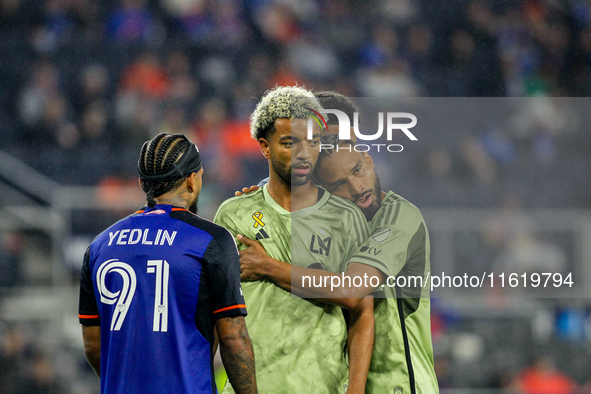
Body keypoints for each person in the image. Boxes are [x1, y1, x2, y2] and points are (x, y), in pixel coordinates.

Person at [239, 135, 439, 393]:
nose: (357, 187)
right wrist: (266, 196)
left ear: (369, 160)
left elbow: (350, 291)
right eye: (339, 184)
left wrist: (266, 266)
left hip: (396, 383)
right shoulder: (333, 225)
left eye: (358, 170)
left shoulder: (399, 217)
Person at [214, 86, 374, 394]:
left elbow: (360, 307)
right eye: (290, 143)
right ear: (265, 146)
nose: (304, 153)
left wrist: (355, 391)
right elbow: (214, 315)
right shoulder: (234, 215)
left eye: (313, 142)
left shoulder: (346, 217)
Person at [78, 132, 257, 394]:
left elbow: (93, 345)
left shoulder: (100, 245)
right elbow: (234, 338)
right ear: (192, 180)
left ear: (142, 183)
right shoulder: (211, 240)